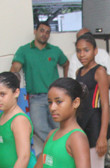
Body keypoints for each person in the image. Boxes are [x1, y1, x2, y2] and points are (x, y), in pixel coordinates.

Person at [11, 22, 69, 154]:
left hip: (56, 97)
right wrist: (11, 86)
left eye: (48, 32)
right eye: (42, 30)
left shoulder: (55, 50)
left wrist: (66, 82)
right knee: (38, 127)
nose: (45, 34)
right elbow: (15, 69)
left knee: (60, 126)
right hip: (35, 97)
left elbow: (66, 63)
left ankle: (59, 152)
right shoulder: (24, 50)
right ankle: (60, 148)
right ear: (35, 31)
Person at [74, 33, 110, 168]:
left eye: (86, 50)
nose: (82, 54)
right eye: (78, 51)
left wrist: (103, 135)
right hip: (81, 125)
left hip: (96, 124)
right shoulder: (79, 73)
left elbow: (105, 105)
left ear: (95, 51)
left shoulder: (100, 72)